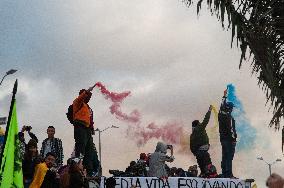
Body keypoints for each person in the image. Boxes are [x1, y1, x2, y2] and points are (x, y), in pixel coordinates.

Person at [73, 85, 96, 176]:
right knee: (81, 146)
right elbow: (80, 98)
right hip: (80, 126)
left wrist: (92, 128)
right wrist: (87, 91)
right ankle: (77, 167)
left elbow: (90, 119)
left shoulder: (88, 107)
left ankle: (89, 172)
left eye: (89, 96)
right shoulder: (78, 102)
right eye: (87, 96)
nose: (88, 97)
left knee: (89, 150)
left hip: (87, 129)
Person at [218, 89, 237, 178]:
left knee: (224, 156)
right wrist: (234, 139)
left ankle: (224, 173)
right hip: (229, 140)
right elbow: (231, 130)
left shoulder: (221, 115)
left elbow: (222, 105)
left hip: (223, 139)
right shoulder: (229, 117)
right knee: (229, 157)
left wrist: (224, 95)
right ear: (230, 108)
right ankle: (229, 174)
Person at [190, 105, 213, 177]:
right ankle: (207, 172)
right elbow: (206, 120)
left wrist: (195, 153)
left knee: (201, 162)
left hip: (199, 151)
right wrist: (209, 111)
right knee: (206, 163)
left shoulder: (193, 134)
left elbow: (191, 146)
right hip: (203, 149)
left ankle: (204, 172)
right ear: (198, 124)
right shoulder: (199, 129)